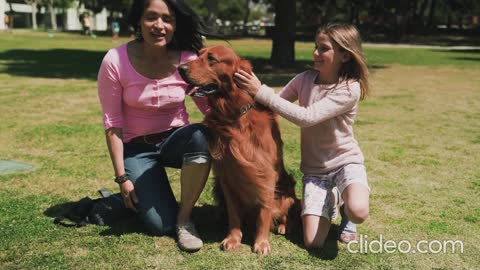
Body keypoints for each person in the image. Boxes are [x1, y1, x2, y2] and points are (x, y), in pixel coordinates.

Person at [234, 23, 370, 249]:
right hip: (315, 171)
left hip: (345, 162)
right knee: (313, 243)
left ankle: (346, 209)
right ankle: (333, 198)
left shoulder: (349, 89)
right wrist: (242, 105)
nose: (316, 53)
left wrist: (261, 90)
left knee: (359, 211)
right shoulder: (304, 79)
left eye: (324, 49)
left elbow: (306, 117)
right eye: (316, 47)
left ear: (345, 55)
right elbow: (273, 104)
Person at [97, 0, 211, 252]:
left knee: (202, 134)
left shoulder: (187, 59)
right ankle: (129, 198)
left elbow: (208, 109)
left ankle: (185, 220)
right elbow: (113, 124)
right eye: (151, 17)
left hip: (176, 140)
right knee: (160, 225)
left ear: (175, 24)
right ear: (139, 20)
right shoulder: (115, 60)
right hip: (138, 149)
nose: (159, 25)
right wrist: (122, 178)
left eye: (167, 19)